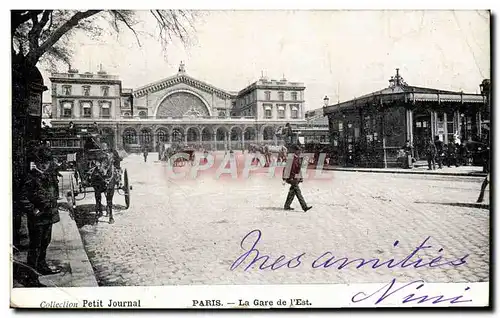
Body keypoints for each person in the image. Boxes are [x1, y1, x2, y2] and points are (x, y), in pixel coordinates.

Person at [21, 144, 62, 287]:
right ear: (37, 162)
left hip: (48, 216)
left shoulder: (49, 176)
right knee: (35, 246)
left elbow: (54, 193)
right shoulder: (31, 177)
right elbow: (23, 198)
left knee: (45, 242)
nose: (44, 165)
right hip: (37, 218)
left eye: (47, 162)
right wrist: (33, 210)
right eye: (42, 163)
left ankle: (42, 266)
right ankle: (31, 277)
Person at [283, 145, 312, 212]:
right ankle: (304, 207)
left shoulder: (297, 159)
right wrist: (286, 178)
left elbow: (298, 170)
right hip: (292, 178)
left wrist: (300, 178)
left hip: (295, 178)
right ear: (295, 151)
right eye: (298, 151)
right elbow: (287, 169)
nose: (300, 152)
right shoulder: (291, 159)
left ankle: (287, 206)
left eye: (300, 151)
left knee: (292, 192)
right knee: (298, 192)